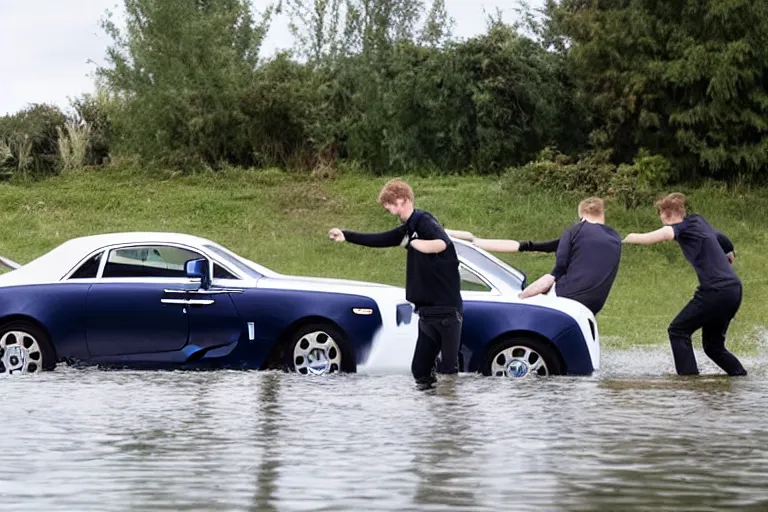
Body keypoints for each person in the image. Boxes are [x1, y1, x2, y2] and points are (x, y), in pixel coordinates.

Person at [328, 179, 463, 389]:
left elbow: (440, 243)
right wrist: (346, 236)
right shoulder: (408, 228)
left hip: (446, 311)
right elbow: (381, 239)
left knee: (448, 370)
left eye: (390, 204)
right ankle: (431, 413)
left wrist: (412, 243)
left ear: (403, 200)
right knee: (420, 369)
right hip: (427, 312)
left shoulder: (423, 220)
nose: (388, 209)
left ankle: (450, 411)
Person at [623, 192, 746, 376]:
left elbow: (656, 237)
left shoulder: (680, 228)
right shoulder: (698, 221)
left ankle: (688, 384)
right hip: (733, 290)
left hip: (715, 290)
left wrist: (622, 239)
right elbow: (721, 238)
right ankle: (741, 377)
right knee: (713, 347)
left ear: (665, 214)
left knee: (678, 331)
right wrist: (729, 253)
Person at [446, 197, 621, 316]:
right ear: (602, 215)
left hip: (565, 299)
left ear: (581, 215)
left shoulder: (576, 230)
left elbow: (553, 276)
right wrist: (477, 242)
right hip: (593, 306)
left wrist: (520, 298)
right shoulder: (615, 239)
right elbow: (531, 246)